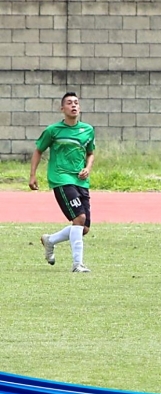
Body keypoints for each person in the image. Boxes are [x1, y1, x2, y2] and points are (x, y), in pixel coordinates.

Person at [28, 92, 95, 273]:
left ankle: (50, 240)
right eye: (69, 103)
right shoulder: (53, 130)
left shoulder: (88, 130)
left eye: (76, 103)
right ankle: (77, 265)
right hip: (61, 178)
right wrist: (33, 175)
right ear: (62, 108)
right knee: (79, 219)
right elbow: (38, 151)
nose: (74, 105)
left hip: (81, 181)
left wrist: (87, 168)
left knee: (84, 228)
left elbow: (90, 153)